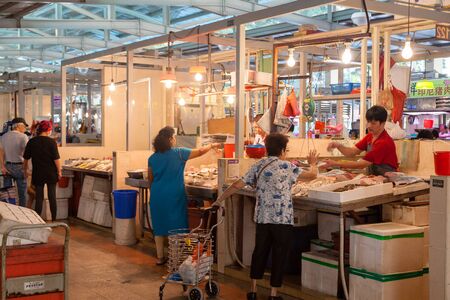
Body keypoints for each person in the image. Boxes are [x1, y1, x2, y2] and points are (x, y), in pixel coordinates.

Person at [213, 133, 319, 300]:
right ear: (283, 150)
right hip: (282, 220)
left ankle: (253, 291)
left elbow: (237, 184)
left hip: (262, 218)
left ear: (267, 149)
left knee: (260, 252)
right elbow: (313, 175)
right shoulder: (287, 166)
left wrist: (220, 199)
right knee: (279, 254)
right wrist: (313, 163)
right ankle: (273, 294)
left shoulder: (258, 165)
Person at [148, 126, 221, 265]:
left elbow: (150, 179)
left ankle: (160, 257)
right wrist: (212, 145)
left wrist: (155, 193)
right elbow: (200, 151)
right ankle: (179, 257)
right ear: (170, 139)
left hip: (157, 195)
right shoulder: (179, 153)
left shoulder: (152, 158)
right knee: (178, 225)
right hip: (174, 195)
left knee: (159, 225)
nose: (175, 139)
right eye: (174, 137)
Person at [324, 105, 399, 176]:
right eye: (368, 122)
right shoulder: (370, 136)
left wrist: (336, 164)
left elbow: (361, 165)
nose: (369, 126)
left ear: (382, 124)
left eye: (373, 123)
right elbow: (352, 152)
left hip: (388, 180)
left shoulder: (383, 142)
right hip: (375, 177)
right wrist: (338, 145)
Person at [23, 120, 61, 221]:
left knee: (39, 197)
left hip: (38, 173)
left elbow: (25, 159)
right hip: (51, 173)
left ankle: (37, 220)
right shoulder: (52, 142)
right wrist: (59, 171)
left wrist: (25, 171)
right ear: (48, 129)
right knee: (52, 196)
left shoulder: (32, 141)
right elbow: (56, 160)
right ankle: (54, 220)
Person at [0, 118, 29, 207]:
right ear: (18, 126)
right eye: (24, 126)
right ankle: (23, 215)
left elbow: (1, 152)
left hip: (7, 166)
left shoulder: (4, 136)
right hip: (20, 167)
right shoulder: (23, 136)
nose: (25, 129)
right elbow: (26, 154)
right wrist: (26, 169)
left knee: (8, 193)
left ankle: (9, 214)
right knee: (22, 194)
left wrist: (2, 167)